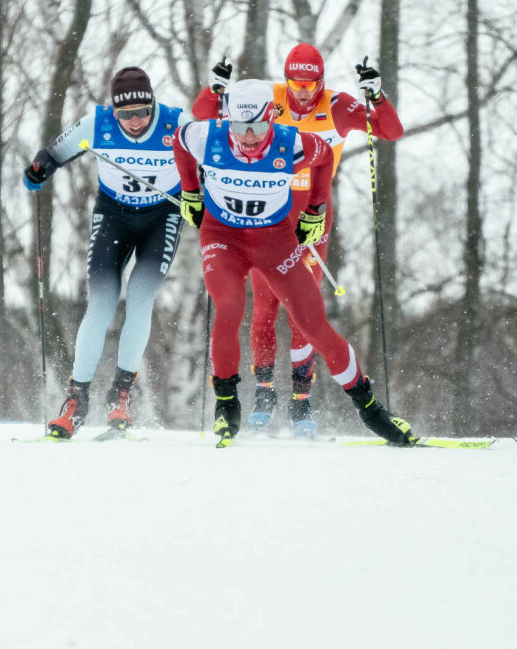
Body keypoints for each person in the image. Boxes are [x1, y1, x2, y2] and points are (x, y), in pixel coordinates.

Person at [173, 78, 418, 447]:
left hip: (275, 241)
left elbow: (325, 157)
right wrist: (190, 190)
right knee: (229, 307)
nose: (249, 137)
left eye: (256, 125)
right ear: (229, 121)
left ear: (271, 116)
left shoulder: (291, 141)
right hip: (223, 239)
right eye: (240, 127)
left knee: (314, 325)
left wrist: (316, 208)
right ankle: (226, 402)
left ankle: (370, 407)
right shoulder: (207, 135)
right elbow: (179, 141)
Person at [24, 66, 193, 439]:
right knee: (100, 302)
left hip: (162, 215)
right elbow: (52, 154)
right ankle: (75, 399)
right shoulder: (97, 124)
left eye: (142, 112)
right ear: (114, 111)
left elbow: (214, 155)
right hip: (114, 215)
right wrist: (39, 169)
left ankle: (120, 393)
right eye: (125, 115)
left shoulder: (177, 123)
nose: (135, 122)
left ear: (153, 105)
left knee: (140, 297)